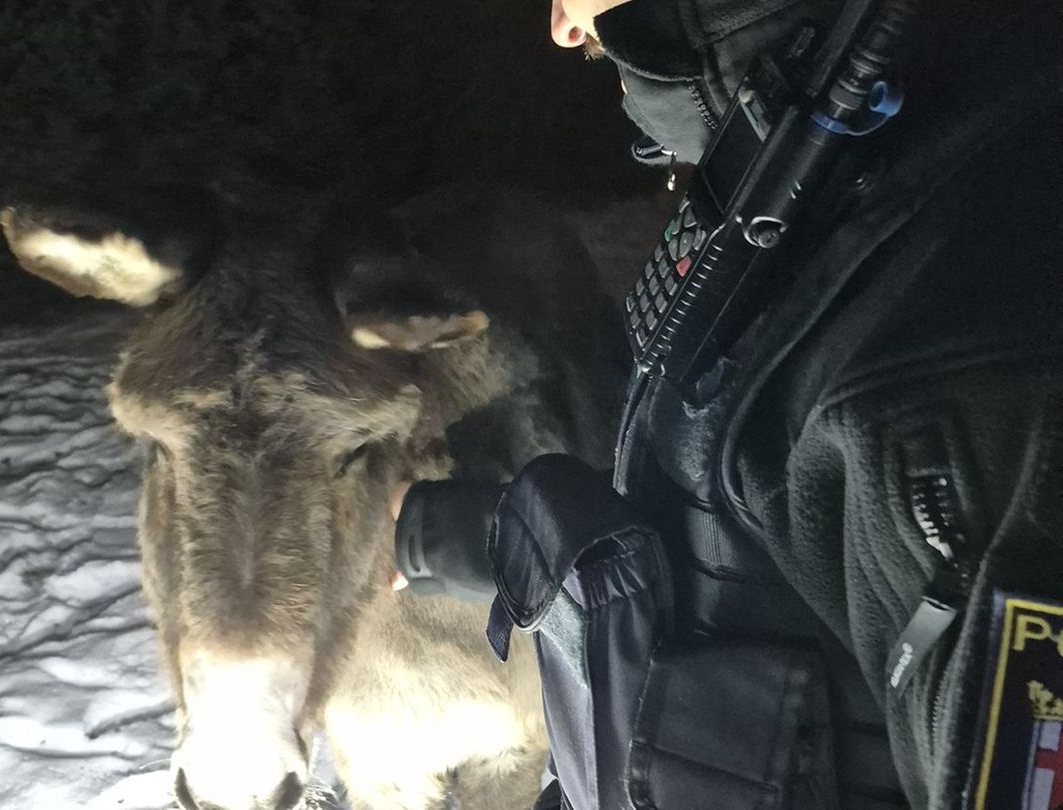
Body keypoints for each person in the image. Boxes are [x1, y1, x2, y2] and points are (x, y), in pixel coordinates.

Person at [391, 0, 1063, 807]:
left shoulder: (960, 290)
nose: (562, 29)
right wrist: (434, 537)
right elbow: (737, 545)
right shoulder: (830, 161)